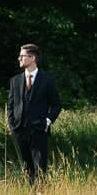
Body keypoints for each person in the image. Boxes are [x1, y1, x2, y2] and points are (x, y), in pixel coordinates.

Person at [6, 42, 61, 183]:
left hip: (39, 129)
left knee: (40, 167)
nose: (19, 59)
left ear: (32, 58)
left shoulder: (47, 80)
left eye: (22, 56)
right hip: (19, 129)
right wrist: (12, 124)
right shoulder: (15, 81)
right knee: (26, 167)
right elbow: (11, 105)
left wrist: (47, 121)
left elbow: (56, 105)